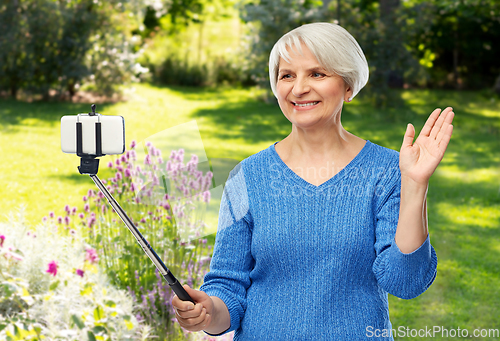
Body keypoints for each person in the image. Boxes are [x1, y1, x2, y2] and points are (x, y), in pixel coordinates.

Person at [171, 22, 454, 340]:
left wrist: (415, 185)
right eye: (287, 75)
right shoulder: (247, 177)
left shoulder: (387, 171)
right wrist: (207, 312)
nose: (298, 88)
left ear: (348, 86)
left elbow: (405, 282)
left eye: (317, 74)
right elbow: (227, 291)